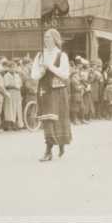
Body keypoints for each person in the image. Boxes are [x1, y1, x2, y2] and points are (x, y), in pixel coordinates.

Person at [31, 29, 72, 162]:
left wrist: (50, 67)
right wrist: (42, 71)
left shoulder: (62, 55)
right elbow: (33, 75)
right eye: (45, 37)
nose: (46, 39)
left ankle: (61, 143)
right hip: (44, 90)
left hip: (58, 91)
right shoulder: (40, 55)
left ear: (55, 39)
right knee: (48, 119)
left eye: (49, 37)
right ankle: (48, 151)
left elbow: (65, 74)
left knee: (58, 118)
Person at [3, 61, 24, 130]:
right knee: (10, 109)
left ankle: (18, 124)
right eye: (11, 68)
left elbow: (20, 84)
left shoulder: (17, 75)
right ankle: (10, 125)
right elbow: (6, 85)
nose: (13, 69)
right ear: (9, 68)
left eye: (14, 68)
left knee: (18, 109)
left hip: (17, 93)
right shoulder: (6, 76)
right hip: (10, 93)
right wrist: (14, 86)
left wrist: (18, 86)